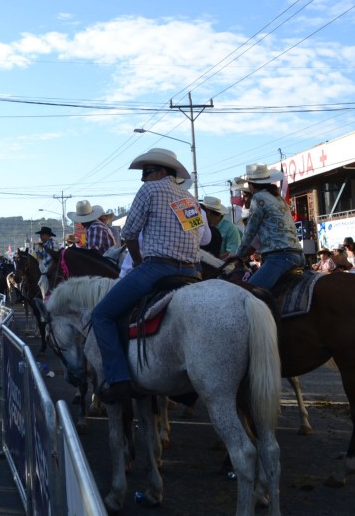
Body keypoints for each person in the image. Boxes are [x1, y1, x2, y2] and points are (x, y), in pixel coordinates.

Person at [91, 148, 210, 403]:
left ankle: (118, 380)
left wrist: (137, 261)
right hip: (191, 272)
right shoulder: (189, 198)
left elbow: (130, 234)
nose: (143, 179)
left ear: (160, 171)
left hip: (158, 268)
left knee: (101, 315)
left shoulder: (149, 191)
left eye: (146, 173)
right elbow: (200, 238)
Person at [234, 164, 303, 289]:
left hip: (278, 257)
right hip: (297, 255)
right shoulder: (278, 199)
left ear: (251, 185)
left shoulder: (258, 198)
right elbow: (259, 237)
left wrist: (238, 254)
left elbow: (250, 231)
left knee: (250, 293)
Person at [33, 226, 59, 297]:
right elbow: (42, 256)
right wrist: (36, 250)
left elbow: (54, 256)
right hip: (47, 267)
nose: (40, 237)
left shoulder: (53, 242)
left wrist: (42, 263)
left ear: (46, 235)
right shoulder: (45, 244)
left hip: (53, 267)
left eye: (41, 235)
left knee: (44, 280)